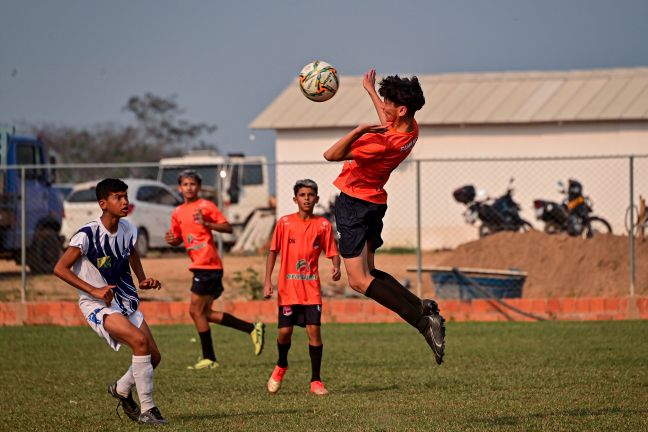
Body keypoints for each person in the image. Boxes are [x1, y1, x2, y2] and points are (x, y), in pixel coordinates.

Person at [323, 69, 446, 365]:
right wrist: (371, 92)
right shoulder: (411, 128)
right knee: (371, 272)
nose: (385, 108)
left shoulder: (377, 143)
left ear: (401, 109)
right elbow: (388, 125)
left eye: (388, 102)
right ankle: (423, 307)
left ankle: (422, 321)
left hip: (354, 204)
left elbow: (331, 155)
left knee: (359, 281)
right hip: (375, 202)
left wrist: (357, 130)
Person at [53, 178, 167, 425]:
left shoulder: (128, 229)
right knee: (139, 342)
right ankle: (148, 409)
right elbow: (60, 268)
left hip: (125, 300)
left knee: (154, 357)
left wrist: (142, 279)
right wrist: (93, 290)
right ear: (103, 203)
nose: (125, 201)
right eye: (118, 197)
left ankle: (121, 389)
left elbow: (132, 252)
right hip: (98, 305)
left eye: (125, 196)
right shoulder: (87, 234)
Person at [165, 169, 265, 370]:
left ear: (199, 187)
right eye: (185, 184)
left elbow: (228, 228)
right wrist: (172, 240)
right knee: (205, 313)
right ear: (179, 188)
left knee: (195, 311)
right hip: (199, 267)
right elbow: (177, 238)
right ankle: (252, 328)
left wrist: (208, 224)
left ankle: (210, 358)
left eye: (193, 184)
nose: (189, 187)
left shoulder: (206, 206)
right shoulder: (177, 213)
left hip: (208, 264)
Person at [263, 179, 341, 395]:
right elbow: (272, 252)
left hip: (311, 290)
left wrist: (336, 266)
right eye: (302, 195)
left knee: (314, 331)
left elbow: (333, 252)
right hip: (288, 289)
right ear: (295, 199)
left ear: (316, 198)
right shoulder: (284, 223)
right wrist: (268, 280)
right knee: (284, 333)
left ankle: (316, 380)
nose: (306, 198)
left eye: (310, 195)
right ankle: (281, 365)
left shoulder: (323, 225)